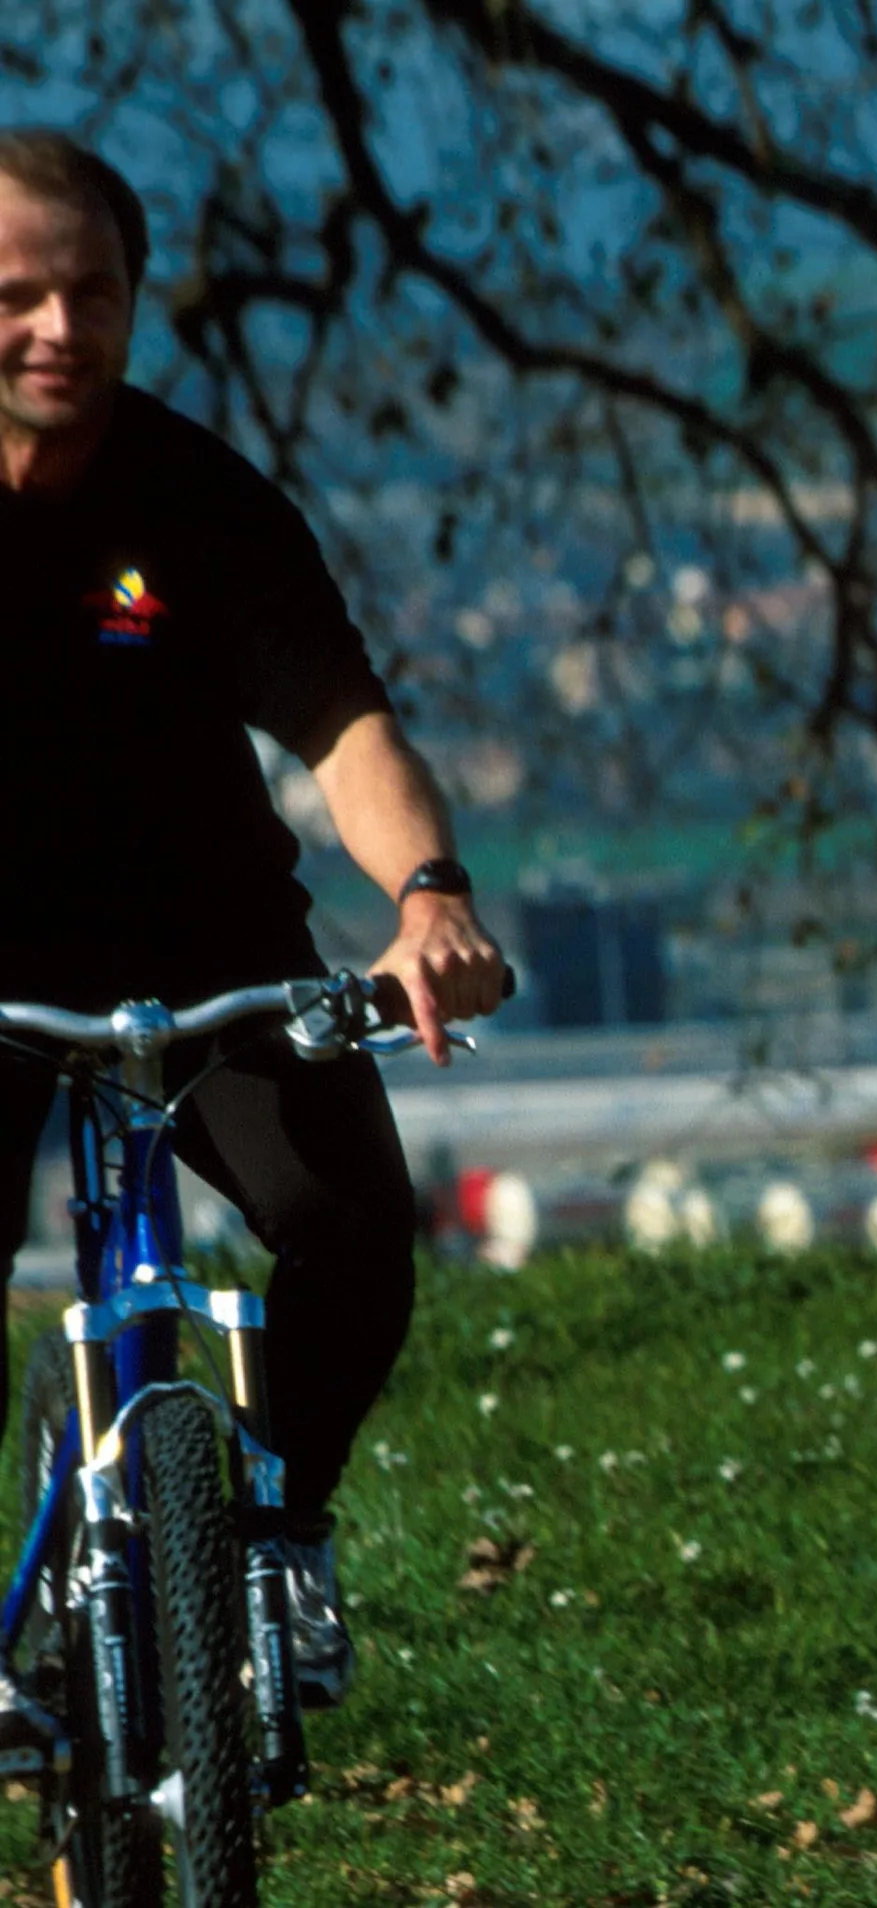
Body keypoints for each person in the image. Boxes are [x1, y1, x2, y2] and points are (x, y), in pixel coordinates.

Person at [0, 129, 512, 1712]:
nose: (60, 330)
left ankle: (276, 1527)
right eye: (18, 295)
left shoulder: (201, 503)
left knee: (357, 1224)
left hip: (201, 941)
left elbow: (351, 734)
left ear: (139, 298)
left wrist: (428, 898)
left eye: (92, 292)